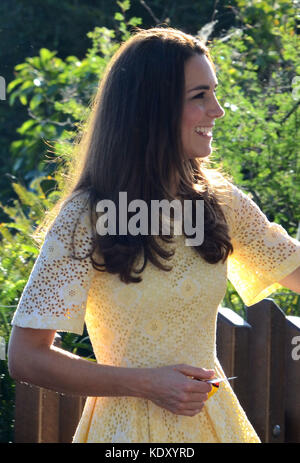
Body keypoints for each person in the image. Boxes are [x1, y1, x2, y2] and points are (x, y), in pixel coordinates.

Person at [8, 27, 300, 443]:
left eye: (214, 93)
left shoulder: (222, 201)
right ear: (151, 108)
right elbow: (25, 357)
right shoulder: (86, 216)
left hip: (217, 426)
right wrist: (146, 384)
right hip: (124, 436)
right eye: (200, 96)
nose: (217, 110)